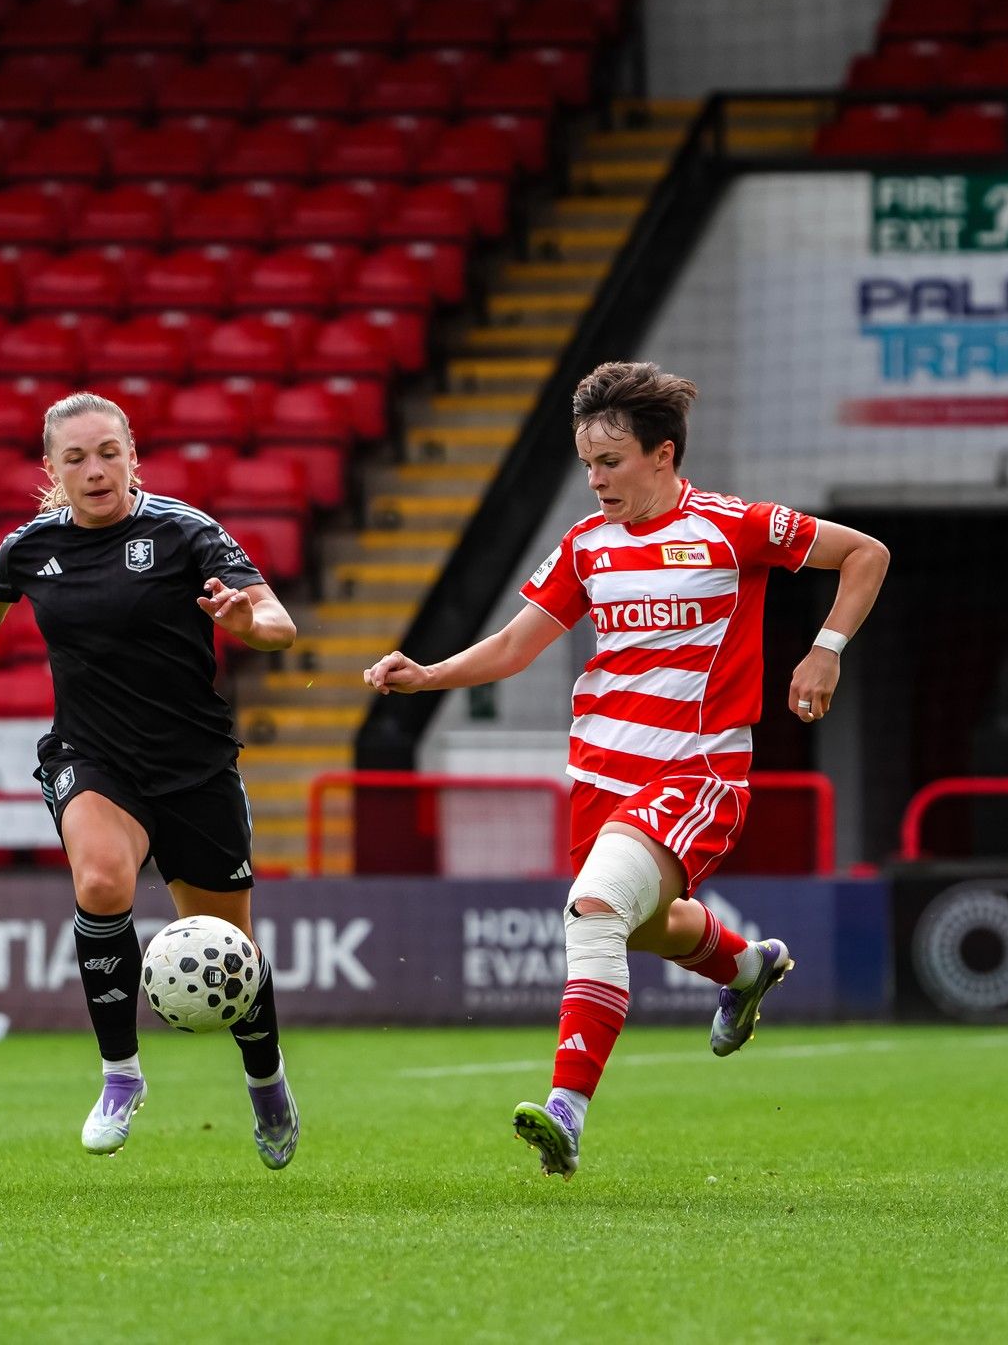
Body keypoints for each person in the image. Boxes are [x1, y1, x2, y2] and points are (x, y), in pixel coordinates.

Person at [363, 361, 890, 1179]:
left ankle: (566, 1112)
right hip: (604, 779)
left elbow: (866, 553)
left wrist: (825, 651)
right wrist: (427, 673)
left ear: (662, 454)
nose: (595, 478)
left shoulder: (732, 525)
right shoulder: (586, 547)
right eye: (586, 462)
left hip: (698, 772)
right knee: (639, 926)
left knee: (595, 908)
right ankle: (748, 965)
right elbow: (513, 646)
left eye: (610, 461)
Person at [0, 392, 303, 1167]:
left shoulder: (186, 530)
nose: (94, 470)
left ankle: (266, 1081)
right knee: (100, 882)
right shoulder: (31, 546)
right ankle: (121, 1076)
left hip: (194, 766)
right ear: (52, 470)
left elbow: (279, 623)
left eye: (107, 453)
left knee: (234, 949)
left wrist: (244, 625)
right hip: (92, 757)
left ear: (134, 456)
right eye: (75, 458)